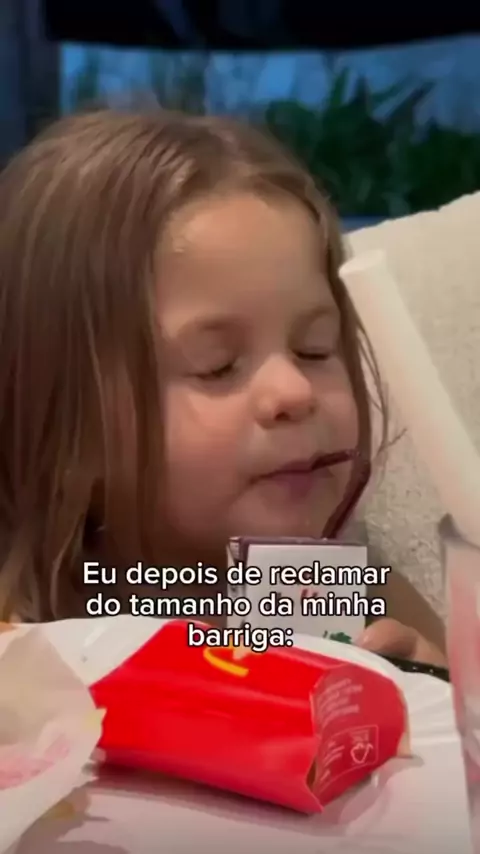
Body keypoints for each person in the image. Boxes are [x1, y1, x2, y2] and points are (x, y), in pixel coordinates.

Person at [0, 108, 445, 666]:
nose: (294, 391)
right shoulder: (23, 645)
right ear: (62, 429)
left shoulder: (340, 594)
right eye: (217, 366)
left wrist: (434, 684)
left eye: (315, 348)